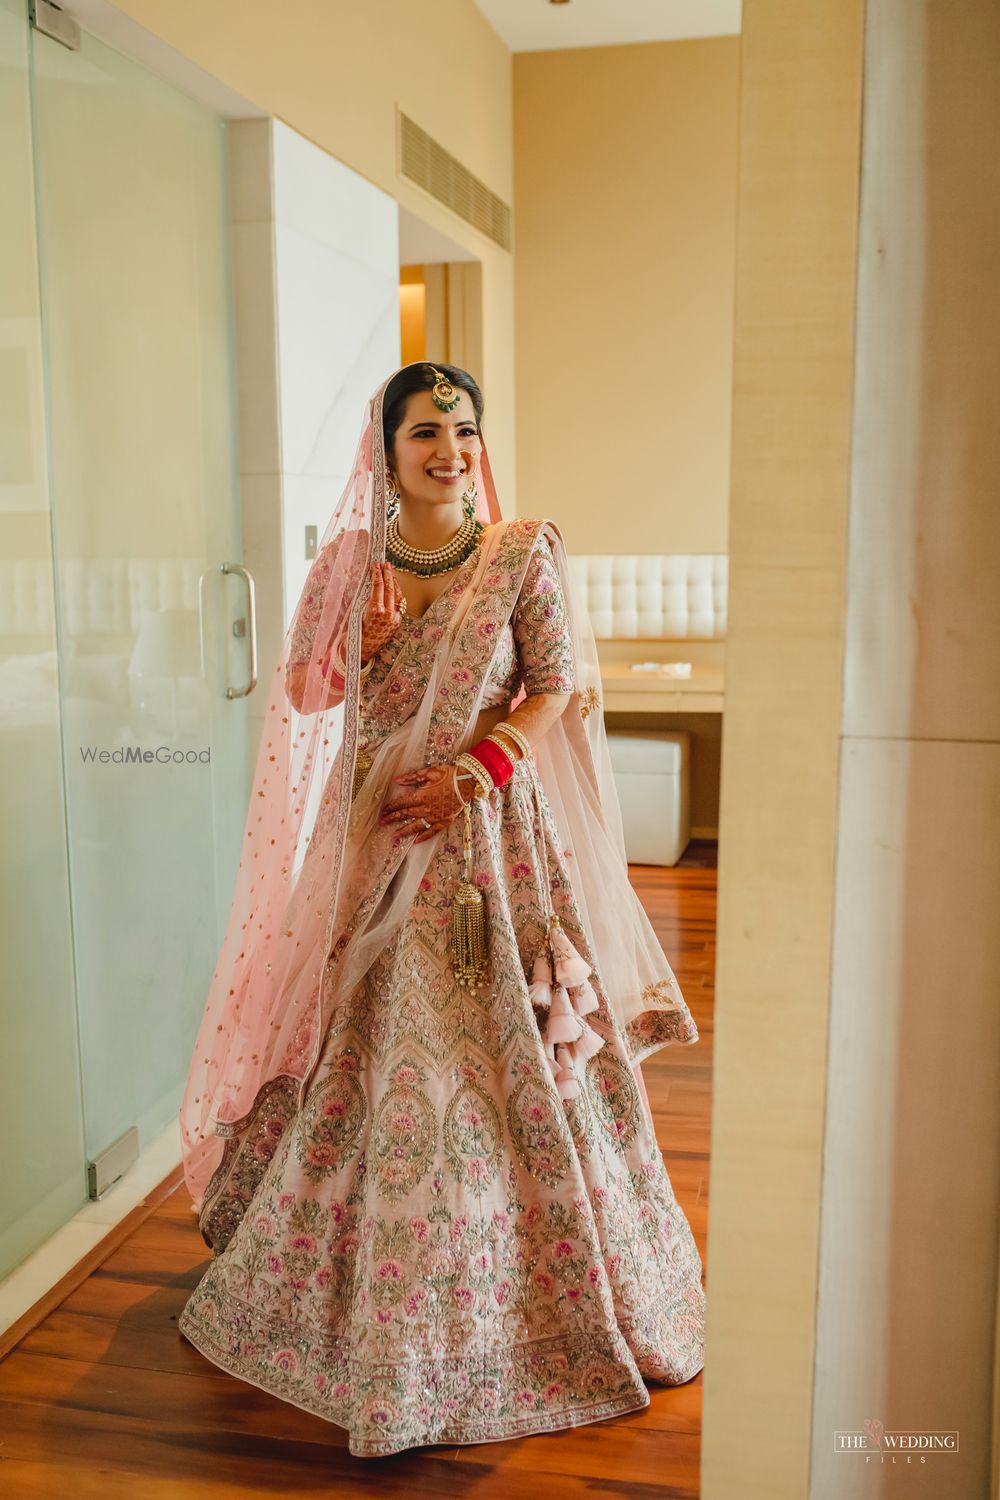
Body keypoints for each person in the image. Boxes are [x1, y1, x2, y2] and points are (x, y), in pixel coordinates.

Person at [177, 360, 705, 1458]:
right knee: (376, 1054)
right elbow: (308, 697)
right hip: (372, 851)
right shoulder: (346, 566)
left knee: (488, 1048)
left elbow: (552, 686)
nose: (449, 449)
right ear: (386, 450)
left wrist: (477, 769)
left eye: (462, 430)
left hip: (486, 847)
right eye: (425, 431)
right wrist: (352, 651)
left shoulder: (521, 553)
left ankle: (534, 1291)